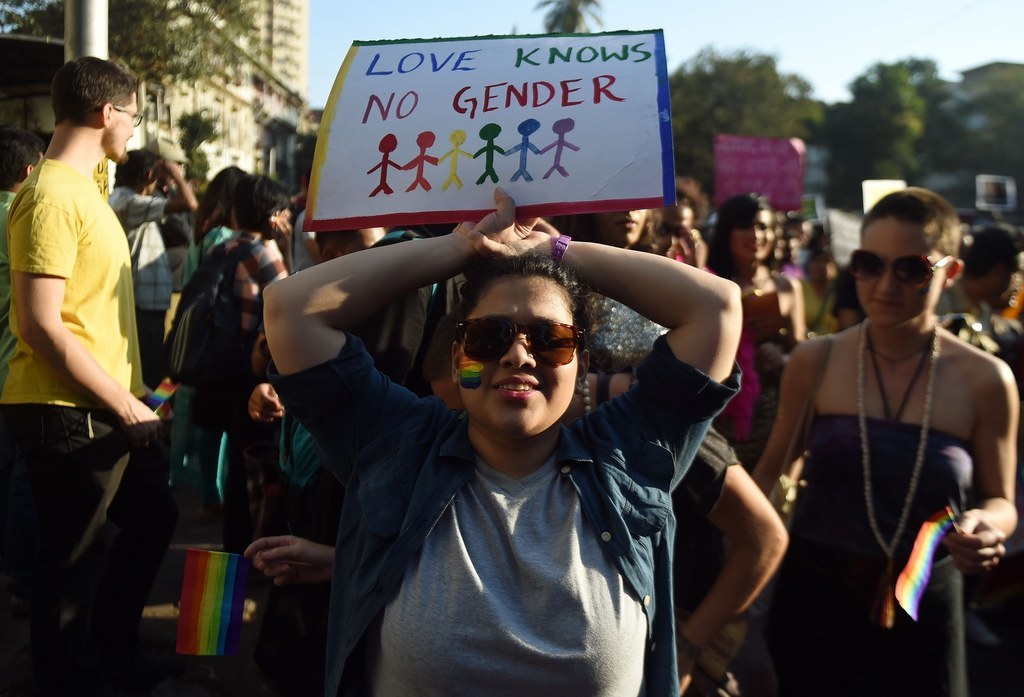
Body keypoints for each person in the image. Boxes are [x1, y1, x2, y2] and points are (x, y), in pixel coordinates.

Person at [251, 188, 742, 695]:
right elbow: (290, 310)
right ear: (460, 353)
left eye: (552, 339)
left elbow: (717, 306)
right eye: (490, 338)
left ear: (584, 364)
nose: (518, 356)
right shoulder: (398, 447)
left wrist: (551, 250)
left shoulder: (627, 457)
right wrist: (463, 245)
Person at [753, 187, 1018, 697]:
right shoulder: (818, 360)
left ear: (951, 273)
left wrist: (988, 525)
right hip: (814, 599)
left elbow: (1000, 498)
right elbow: (770, 473)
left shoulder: (986, 379)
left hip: (925, 600)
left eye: (912, 269)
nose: (885, 285)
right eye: (871, 264)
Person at [0, 56, 180, 695]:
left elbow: (104, 154)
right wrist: (125, 405)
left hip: (106, 401)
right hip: (64, 406)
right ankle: (68, 677)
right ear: (107, 114)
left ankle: (109, 654)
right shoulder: (48, 194)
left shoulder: (87, 186)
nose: (135, 130)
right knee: (72, 560)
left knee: (152, 517)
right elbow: (40, 325)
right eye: (132, 116)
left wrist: (136, 400)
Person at [197, 173, 289, 553]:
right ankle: (253, 552)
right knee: (256, 466)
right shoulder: (264, 253)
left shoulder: (223, 247)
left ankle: (235, 551)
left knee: (237, 464)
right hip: (254, 373)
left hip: (226, 369)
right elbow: (289, 308)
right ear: (272, 217)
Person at [706, 193, 806, 469]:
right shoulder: (711, 283)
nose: (756, 235)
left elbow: (799, 351)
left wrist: (782, 360)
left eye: (763, 227)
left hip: (772, 410)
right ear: (727, 231)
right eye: (746, 226)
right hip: (720, 405)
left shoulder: (787, 287)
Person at [0, 125, 44, 616]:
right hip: (14, 371)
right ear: (31, 172)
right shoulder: (19, 216)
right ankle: (20, 575)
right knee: (22, 480)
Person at [109, 147, 199, 388]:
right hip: (144, 301)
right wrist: (177, 175)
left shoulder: (120, 198)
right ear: (150, 175)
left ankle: (151, 416)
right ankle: (150, 419)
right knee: (150, 370)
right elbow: (191, 204)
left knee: (148, 366)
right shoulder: (132, 202)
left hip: (144, 299)